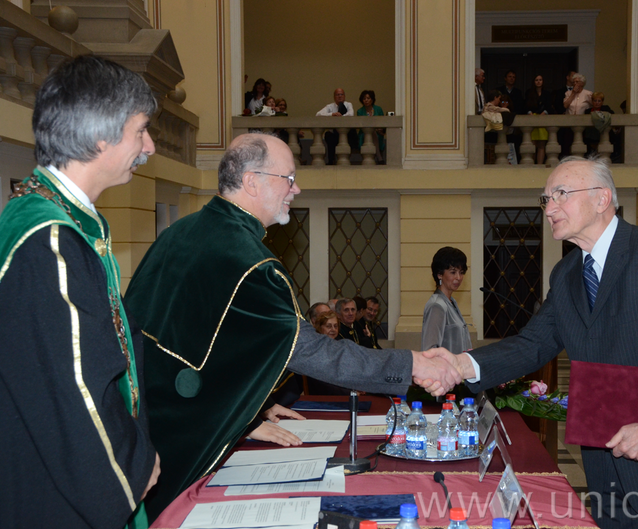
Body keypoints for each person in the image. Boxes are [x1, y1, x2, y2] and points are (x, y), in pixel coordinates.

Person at [124, 132, 461, 520]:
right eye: (289, 178)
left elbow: (188, 342)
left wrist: (243, 415)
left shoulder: (181, 232)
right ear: (252, 181)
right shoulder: (250, 263)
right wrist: (413, 364)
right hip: (183, 447)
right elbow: (311, 351)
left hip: (146, 425)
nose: (296, 189)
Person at [422, 156, 638, 527]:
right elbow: (533, 344)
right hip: (605, 466)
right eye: (546, 199)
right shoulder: (567, 273)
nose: (549, 208)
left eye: (561, 194)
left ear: (602, 198)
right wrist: (461, 364)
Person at [0, 55, 160, 528]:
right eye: (140, 131)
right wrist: (130, 469)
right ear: (100, 137)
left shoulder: (53, 218)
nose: (149, 146)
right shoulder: (49, 238)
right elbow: (77, 388)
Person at [421, 247, 472, 355]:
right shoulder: (437, 305)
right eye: (453, 272)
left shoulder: (451, 302)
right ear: (439, 274)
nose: (458, 277)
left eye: (461, 272)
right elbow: (430, 350)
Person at [316, 88, 357, 165]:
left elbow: (351, 114)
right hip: (334, 133)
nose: (340, 96)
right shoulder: (330, 106)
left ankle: (345, 160)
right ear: (334, 97)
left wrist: (340, 117)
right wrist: (332, 114)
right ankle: (331, 161)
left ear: (344, 96)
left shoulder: (348, 104)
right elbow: (318, 114)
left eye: (341, 94)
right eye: (337, 95)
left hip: (347, 132)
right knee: (328, 135)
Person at [525, 74, 553, 165]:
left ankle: (540, 164)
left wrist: (543, 113)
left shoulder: (547, 93)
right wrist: (530, 113)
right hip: (532, 118)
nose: (538, 82)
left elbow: (549, 106)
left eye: (540, 80)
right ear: (534, 82)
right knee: (532, 144)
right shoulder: (529, 92)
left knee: (541, 144)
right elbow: (525, 105)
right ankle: (532, 164)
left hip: (543, 118)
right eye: (536, 80)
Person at [356, 90, 385, 163]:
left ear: (372, 99)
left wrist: (380, 129)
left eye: (368, 98)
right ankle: (379, 157)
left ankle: (377, 156)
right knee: (371, 132)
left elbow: (383, 122)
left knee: (374, 133)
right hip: (364, 133)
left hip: (378, 132)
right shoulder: (360, 111)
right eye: (364, 98)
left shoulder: (378, 109)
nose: (366, 100)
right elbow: (362, 125)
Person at [583, 92, 615, 156]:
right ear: (592, 102)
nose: (597, 103)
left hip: (602, 133)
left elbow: (612, 116)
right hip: (591, 134)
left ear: (602, 102)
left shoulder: (606, 109)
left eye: (599, 101)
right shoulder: (587, 111)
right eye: (595, 101)